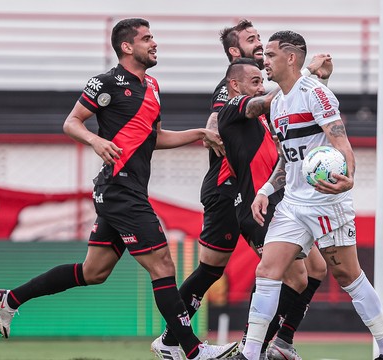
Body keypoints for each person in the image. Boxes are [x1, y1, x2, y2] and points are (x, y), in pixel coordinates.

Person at [0, 18, 237, 360]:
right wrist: (95, 140)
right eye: (147, 38)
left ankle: (9, 299)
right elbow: (71, 122)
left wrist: (199, 133)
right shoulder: (105, 82)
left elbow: (155, 138)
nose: (155, 43)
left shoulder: (153, 87)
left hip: (127, 190)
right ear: (126, 46)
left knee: (94, 272)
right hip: (119, 190)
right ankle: (191, 351)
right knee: (163, 264)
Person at [216, 31, 383, 360]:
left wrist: (347, 179)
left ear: (291, 58)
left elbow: (342, 145)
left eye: (271, 55)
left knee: (348, 275)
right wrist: (264, 191)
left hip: (326, 202)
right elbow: (285, 160)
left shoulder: (316, 95)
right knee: (267, 272)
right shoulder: (277, 106)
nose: (265, 60)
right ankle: (249, 354)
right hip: (292, 204)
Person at [153, 19, 329, 360]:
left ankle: (274, 342)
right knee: (282, 271)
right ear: (235, 52)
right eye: (252, 39)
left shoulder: (259, 88)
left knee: (214, 268)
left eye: (261, 37)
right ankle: (256, 347)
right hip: (230, 189)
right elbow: (218, 120)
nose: (260, 42)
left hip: (258, 191)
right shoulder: (234, 89)